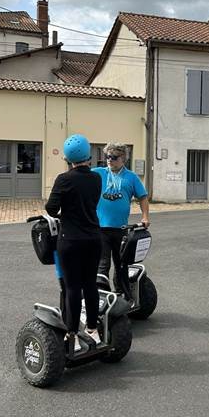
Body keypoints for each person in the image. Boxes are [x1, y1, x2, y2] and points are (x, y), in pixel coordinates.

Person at [45, 134, 102, 351]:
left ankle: (72, 335)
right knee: (90, 285)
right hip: (94, 238)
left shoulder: (64, 179)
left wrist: (64, 211)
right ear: (88, 155)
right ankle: (93, 330)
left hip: (70, 240)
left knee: (72, 288)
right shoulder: (96, 178)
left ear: (68, 158)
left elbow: (51, 208)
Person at [92, 142, 150, 287]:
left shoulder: (131, 177)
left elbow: (143, 197)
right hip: (100, 228)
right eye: (107, 156)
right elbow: (80, 175)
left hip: (121, 229)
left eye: (114, 157)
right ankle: (100, 296)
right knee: (102, 263)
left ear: (123, 159)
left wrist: (145, 217)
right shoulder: (99, 173)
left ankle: (121, 292)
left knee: (121, 264)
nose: (110, 159)